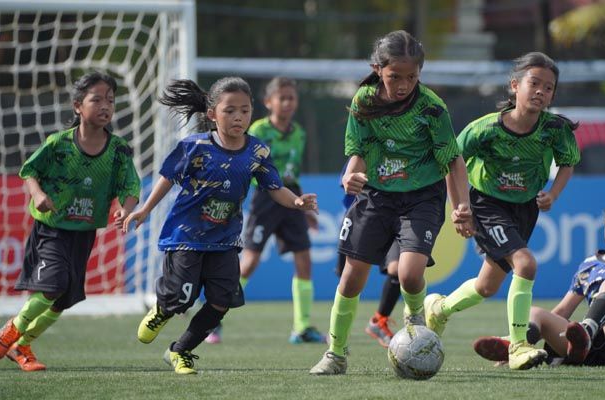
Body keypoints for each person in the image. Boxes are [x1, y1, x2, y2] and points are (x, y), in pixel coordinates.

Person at [122, 77, 318, 374]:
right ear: (212, 114)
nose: (238, 117)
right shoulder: (194, 146)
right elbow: (167, 177)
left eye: (244, 110)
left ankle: (180, 351)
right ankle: (164, 309)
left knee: (221, 302)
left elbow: (275, 187)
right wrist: (145, 209)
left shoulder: (257, 151)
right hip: (186, 236)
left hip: (225, 240)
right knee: (182, 298)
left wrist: (297, 203)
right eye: (230, 111)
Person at [309, 30, 473, 375]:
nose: (403, 84)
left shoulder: (431, 108)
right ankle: (335, 354)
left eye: (411, 77)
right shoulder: (364, 101)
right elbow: (357, 154)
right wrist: (349, 177)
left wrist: (462, 207)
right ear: (377, 68)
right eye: (394, 76)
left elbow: (453, 161)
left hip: (423, 196)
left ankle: (415, 322)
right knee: (352, 278)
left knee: (410, 275)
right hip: (378, 195)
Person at [424, 51, 581, 370]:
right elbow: (451, 164)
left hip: (524, 209)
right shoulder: (484, 129)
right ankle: (519, 346)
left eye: (548, 87)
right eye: (533, 83)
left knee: (487, 286)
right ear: (514, 86)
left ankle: (440, 309)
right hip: (487, 204)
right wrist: (461, 208)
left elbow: (567, 164)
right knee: (526, 263)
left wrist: (552, 193)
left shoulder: (555, 129)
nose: (540, 91)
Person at [0, 71, 141, 372]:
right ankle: (8, 333)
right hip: (52, 228)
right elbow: (29, 171)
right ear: (78, 106)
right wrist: (37, 194)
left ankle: (22, 346)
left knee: (63, 299)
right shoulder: (59, 144)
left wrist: (127, 210)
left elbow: (131, 187)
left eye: (111, 101)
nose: (105, 106)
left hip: (84, 232)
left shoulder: (117, 151)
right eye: (97, 99)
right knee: (54, 285)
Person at [473, 199, 605, 367]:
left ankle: (587, 333)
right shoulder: (589, 265)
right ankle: (518, 347)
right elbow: (563, 311)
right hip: (591, 350)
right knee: (534, 312)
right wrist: (542, 327)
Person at [205, 77, 324, 345]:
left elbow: (292, 173)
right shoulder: (257, 130)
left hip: (291, 199)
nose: (287, 103)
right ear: (268, 102)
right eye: (281, 98)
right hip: (266, 199)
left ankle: (302, 328)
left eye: (291, 98)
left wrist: (304, 209)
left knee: (304, 261)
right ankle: (213, 321)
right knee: (249, 263)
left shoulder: (299, 133)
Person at [335, 167, 401, 348]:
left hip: (398, 215)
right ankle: (338, 339)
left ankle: (380, 321)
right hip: (363, 216)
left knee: (401, 271)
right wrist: (351, 178)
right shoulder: (365, 147)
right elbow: (346, 182)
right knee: (347, 279)